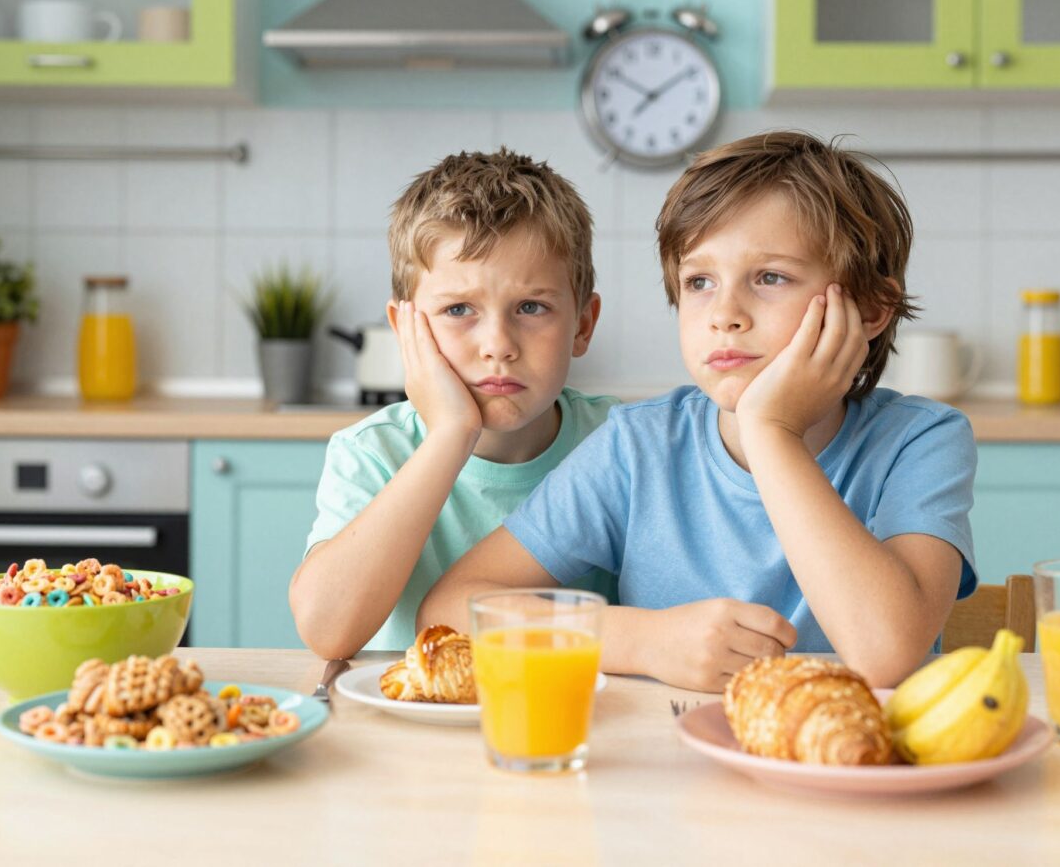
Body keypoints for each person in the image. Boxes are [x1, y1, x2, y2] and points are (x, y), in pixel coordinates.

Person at [418, 130, 978, 691]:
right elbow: (451, 611)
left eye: (770, 277)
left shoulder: (921, 441)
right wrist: (640, 640)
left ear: (872, 307)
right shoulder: (638, 447)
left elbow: (885, 654)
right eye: (700, 281)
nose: (725, 314)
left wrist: (771, 430)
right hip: (675, 759)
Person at [290, 148, 616, 658]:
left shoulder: (620, 443)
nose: (498, 344)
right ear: (405, 330)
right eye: (459, 309)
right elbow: (328, 631)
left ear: (583, 323)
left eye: (532, 307)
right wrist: (449, 435)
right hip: (405, 726)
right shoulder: (373, 452)